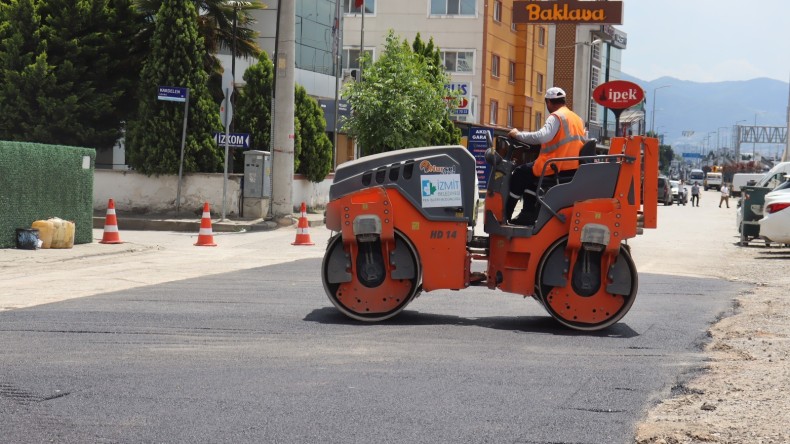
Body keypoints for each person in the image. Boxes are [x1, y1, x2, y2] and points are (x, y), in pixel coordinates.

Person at [505, 87, 586, 224]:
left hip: (555, 166)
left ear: (548, 102)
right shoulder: (577, 118)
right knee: (530, 177)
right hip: (572, 167)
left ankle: (505, 214)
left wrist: (517, 135)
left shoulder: (556, 117)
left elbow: (542, 136)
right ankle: (527, 214)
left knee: (519, 173)